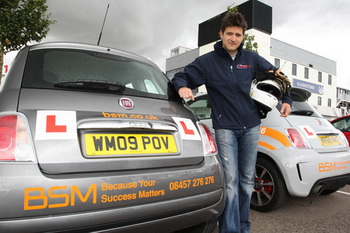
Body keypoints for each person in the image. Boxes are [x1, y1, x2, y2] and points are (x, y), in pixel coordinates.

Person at [172, 11, 292, 233]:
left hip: (252, 127)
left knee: (247, 184)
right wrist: (183, 86)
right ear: (221, 34)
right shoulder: (207, 62)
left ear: (242, 36)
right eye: (229, 34)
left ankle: (243, 226)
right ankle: (229, 229)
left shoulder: (252, 59)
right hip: (225, 128)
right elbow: (182, 76)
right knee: (231, 184)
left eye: (238, 35)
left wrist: (286, 100)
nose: (233, 38)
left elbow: (279, 78)